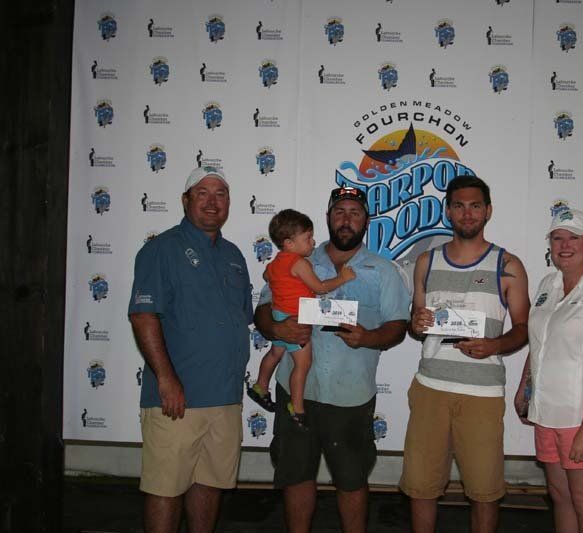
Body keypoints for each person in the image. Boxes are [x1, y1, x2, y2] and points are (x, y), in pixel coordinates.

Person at [254, 186, 410, 533]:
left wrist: (369, 337)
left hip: (350, 396)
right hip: (297, 391)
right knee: (296, 476)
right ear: (327, 218)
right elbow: (263, 311)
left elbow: (399, 325)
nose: (346, 219)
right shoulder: (296, 262)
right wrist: (278, 328)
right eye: (339, 212)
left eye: (355, 212)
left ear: (366, 220)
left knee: (351, 481)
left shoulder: (383, 270)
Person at [400, 175, 530, 533]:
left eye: (475, 206)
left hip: (481, 394)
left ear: (487, 211)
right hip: (430, 388)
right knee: (421, 487)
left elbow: (523, 328)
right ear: (448, 212)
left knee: (484, 492)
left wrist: (494, 345)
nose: (467, 213)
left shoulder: (509, 265)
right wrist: (417, 322)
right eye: (459, 206)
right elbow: (416, 325)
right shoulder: (427, 261)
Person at [128, 166, 252, 533]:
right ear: (186, 200)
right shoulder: (160, 249)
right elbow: (143, 316)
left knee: (210, 482)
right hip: (176, 397)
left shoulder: (234, 255)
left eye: (221, 194)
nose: (213, 202)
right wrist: (166, 379)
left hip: (225, 396)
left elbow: (241, 317)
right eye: (202, 193)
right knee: (165, 487)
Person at [514, 209, 583, 533]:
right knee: (559, 495)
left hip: (582, 416)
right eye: (557, 238)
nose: (564, 245)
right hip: (547, 413)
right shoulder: (549, 284)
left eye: (573, 238)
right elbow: (540, 343)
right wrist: (525, 389)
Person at [247, 209, 356, 430]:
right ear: (289, 243)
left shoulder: (276, 262)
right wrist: (342, 277)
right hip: (296, 321)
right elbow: (320, 287)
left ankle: (260, 386)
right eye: (307, 238)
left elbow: (266, 276)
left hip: (279, 316)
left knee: (275, 352)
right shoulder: (299, 263)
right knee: (303, 363)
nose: (313, 242)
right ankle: (297, 408)